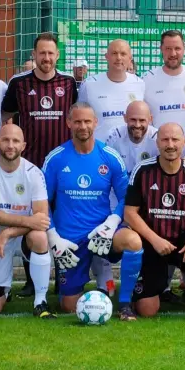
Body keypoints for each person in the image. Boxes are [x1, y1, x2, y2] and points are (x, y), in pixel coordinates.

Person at [111, 122, 185, 320]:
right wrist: (154, 240)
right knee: (147, 310)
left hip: (183, 242)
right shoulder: (143, 170)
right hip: (153, 243)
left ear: (184, 143)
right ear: (157, 142)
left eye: (175, 139)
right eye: (165, 139)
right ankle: (141, 290)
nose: (170, 144)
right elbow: (130, 213)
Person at [42, 103, 131, 315]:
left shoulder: (110, 156)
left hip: (102, 234)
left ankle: (126, 301)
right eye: (78, 121)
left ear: (95, 123)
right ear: (69, 123)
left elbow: (127, 197)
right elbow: (41, 202)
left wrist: (111, 223)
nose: (83, 126)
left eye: (87, 121)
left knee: (132, 240)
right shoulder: (56, 158)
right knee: (69, 307)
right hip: (69, 240)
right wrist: (53, 237)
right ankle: (87, 285)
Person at [0, 123, 54, 317]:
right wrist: (27, 221)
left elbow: (41, 218)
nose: (10, 145)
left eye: (15, 141)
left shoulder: (33, 173)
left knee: (40, 237)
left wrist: (9, 231)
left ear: (23, 145)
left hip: (20, 236)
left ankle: (40, 301)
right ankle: (5, 289)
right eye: (6, 140)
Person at [2, 32, 78, 169]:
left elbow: (76, 116)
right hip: (28, 161)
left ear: (57, 55)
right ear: (34, 54)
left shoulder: (68, 82)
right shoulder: (18, 83)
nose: (47, 58)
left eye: (50, 53)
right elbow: (3, 115)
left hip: (63, 161)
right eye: (42, 53)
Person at [143, 30, 185, 141]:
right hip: (161, 146)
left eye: (177, 48)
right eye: (168, 49)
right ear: (161, 50)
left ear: (184, 49)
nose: (173, 54)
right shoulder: (148, 78)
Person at [79, 39, 146, 144]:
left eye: (123, 54)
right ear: (106, 57)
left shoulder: (140, 84)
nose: (118, 58)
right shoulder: (89, 85)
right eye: (114, 53)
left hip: (131, 150)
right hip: (100, 151)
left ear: (130, 58)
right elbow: (79, 119)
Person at [107, 99, 158, 173]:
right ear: (125, 118)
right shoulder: (113, 136)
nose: (137, 125)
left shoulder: (158, 138)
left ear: (150, 119)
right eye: (133, 120)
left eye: (142, 120)